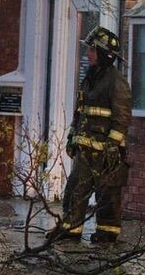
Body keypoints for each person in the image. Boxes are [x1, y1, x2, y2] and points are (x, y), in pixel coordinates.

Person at [47, 26, 132, 245]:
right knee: (75, 189)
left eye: (93, 50)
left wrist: (112, 146)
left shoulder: (116, 82)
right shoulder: (90, 78)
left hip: (106, 152)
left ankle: (107, 233)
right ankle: (70, 229)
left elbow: (121, 118)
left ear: (105, 54)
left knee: (107, 194)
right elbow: (80, 112)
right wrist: (72, 137)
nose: (88, 54)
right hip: (85, 149)